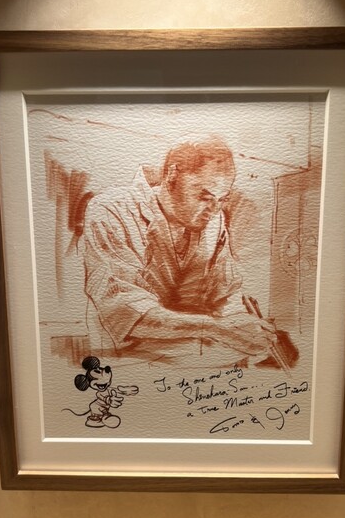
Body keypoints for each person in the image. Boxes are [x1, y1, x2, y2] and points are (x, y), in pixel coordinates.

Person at [82, 136, 277, 363]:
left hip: (195, 362)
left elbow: (225, 292)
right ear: (172, 175)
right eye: (205, 197)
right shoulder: (111, 211)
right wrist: (216, 328)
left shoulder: (215, 223)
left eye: (222, 200)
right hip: (123, 363)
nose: (214, 210)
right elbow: (126, 310)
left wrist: (242, 323)